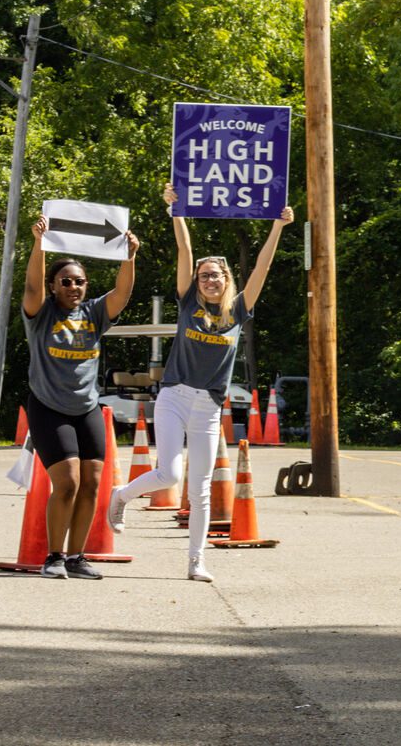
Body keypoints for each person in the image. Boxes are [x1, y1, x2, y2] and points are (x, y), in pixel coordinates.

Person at [109, 185, 290, 583]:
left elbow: (261, 268)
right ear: (197, 281)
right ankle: (120, 496)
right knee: (170, 475)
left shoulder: (239, 310)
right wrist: (177, 212)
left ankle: (196, 561)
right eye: (204, 276)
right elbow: (185, 251)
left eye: (216, 275)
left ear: (227, 280)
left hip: (208, 405)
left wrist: (278, 226)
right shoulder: (188, 302)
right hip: (174, 396)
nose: (209, 280)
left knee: (202, 488)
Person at [21, 215, 138, 579]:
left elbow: (122, 294)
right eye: (66, 282)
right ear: (54, 286)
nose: (73, 287)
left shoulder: (94, 312)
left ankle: (76, 557)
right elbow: (30, 287)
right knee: (68, 480)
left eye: (79, 282)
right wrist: (39, 243)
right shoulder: (42, 314)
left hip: (86, 407)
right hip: (48, 407)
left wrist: (129, 256)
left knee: (92, 481)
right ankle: (53, 558)